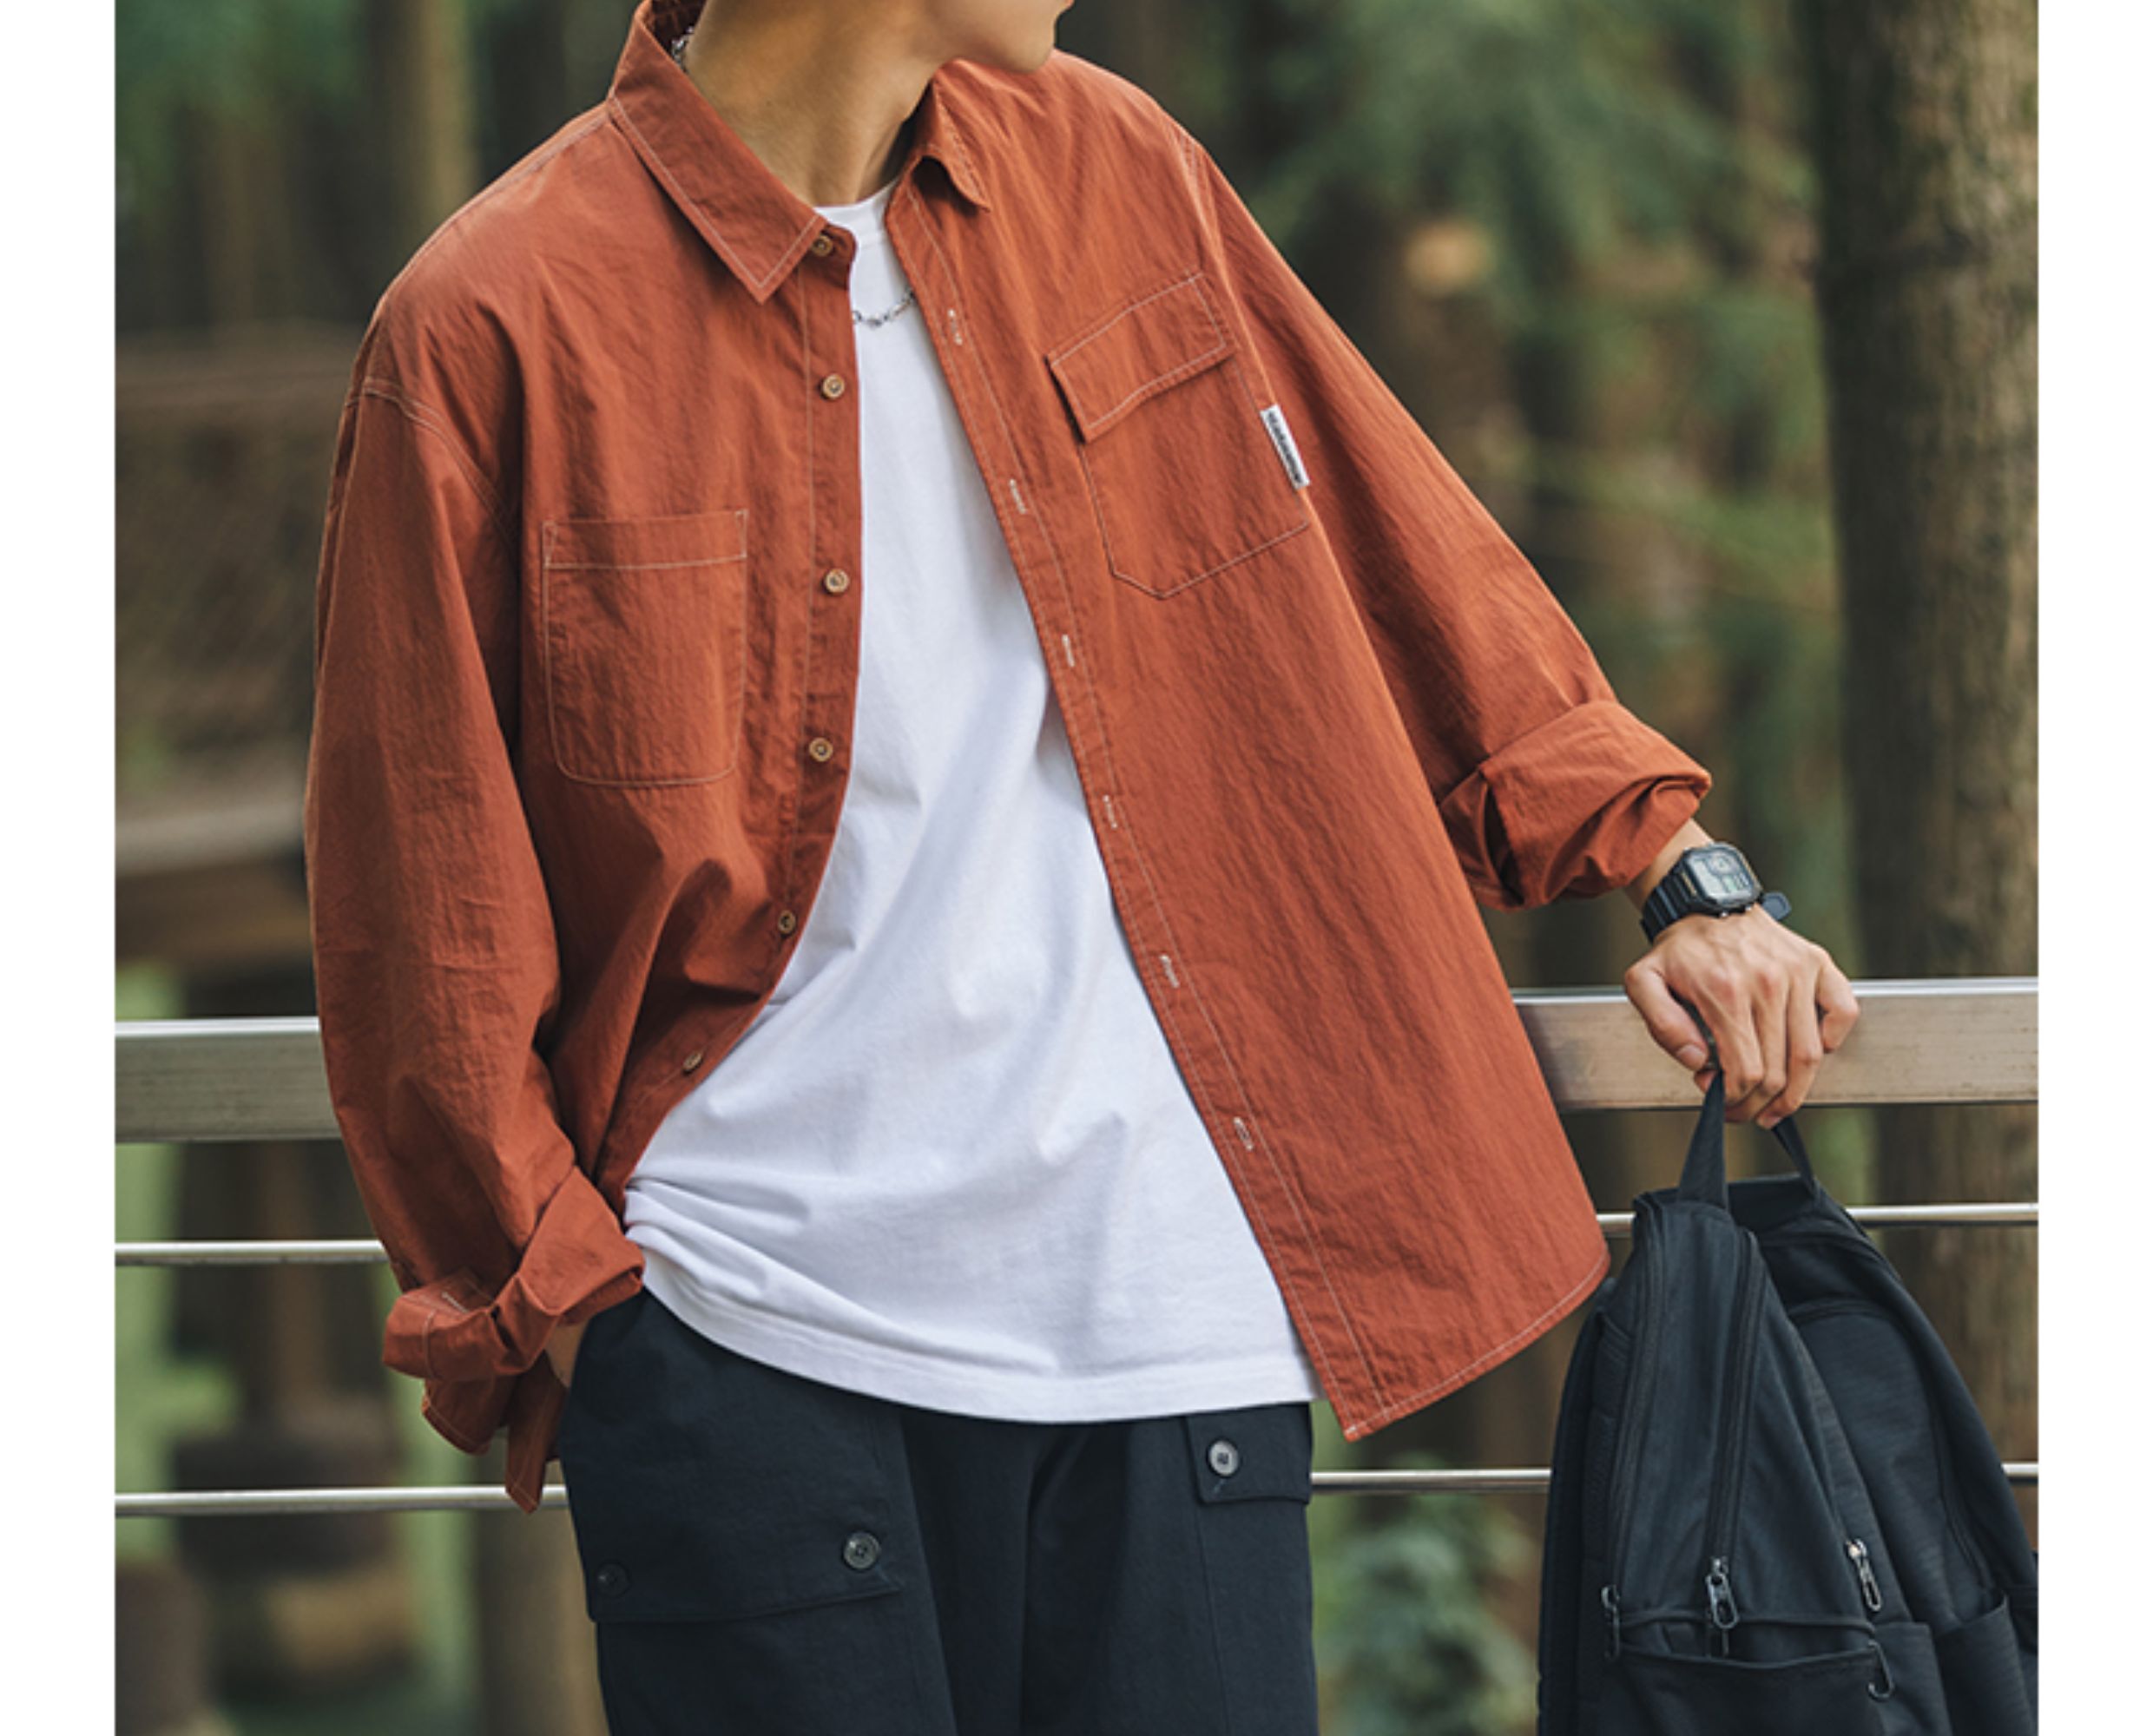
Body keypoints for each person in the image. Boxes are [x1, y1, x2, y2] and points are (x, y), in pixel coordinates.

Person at [300, 2, 1861, 1730]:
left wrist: (1672, 861)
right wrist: (587, 1324)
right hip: (745, 1345)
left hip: (1173, 1333)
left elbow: (1383, 532)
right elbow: (419, 908)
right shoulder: (492, 318)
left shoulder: (1116, 170)